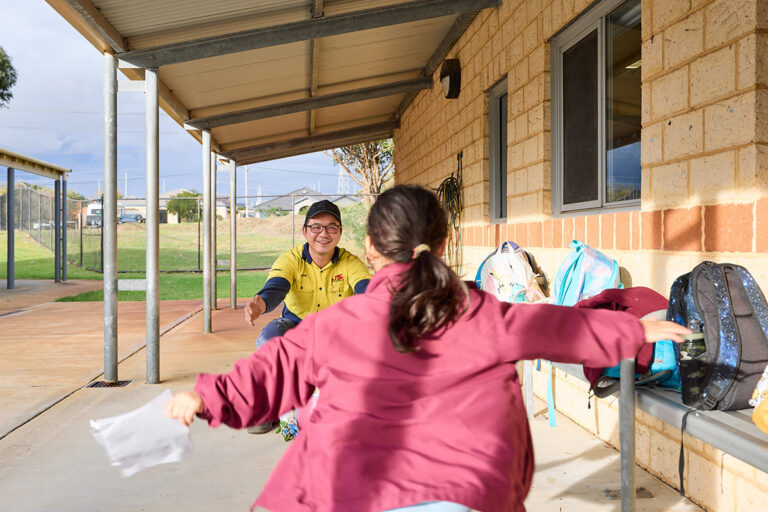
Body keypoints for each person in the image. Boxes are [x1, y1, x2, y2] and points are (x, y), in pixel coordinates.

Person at [167, 185, 690, 512]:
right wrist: (632, 331)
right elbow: (549, 327)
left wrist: (208, 398)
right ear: (444, 244)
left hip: (357, 493)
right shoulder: (478, 310)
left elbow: (280, 362)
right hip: (468, 491)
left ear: (370, 249)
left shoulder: (343, 321)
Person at [243, 199, 370, 433]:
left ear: (340, 232)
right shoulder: (290, 260)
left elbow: (366, 288)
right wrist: (260, 303)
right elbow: (276, 287)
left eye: (332, 227)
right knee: (269, 340)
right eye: (316, 227)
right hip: (294, 324)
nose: (324, 234)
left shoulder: (351, 262)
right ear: (305, 231)